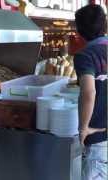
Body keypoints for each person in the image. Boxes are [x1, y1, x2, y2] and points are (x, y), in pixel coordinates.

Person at [74, 4, 107, 180]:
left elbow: (88, 92)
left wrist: (84, 128)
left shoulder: (86, 55)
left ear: (79, 30)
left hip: (99, 138)